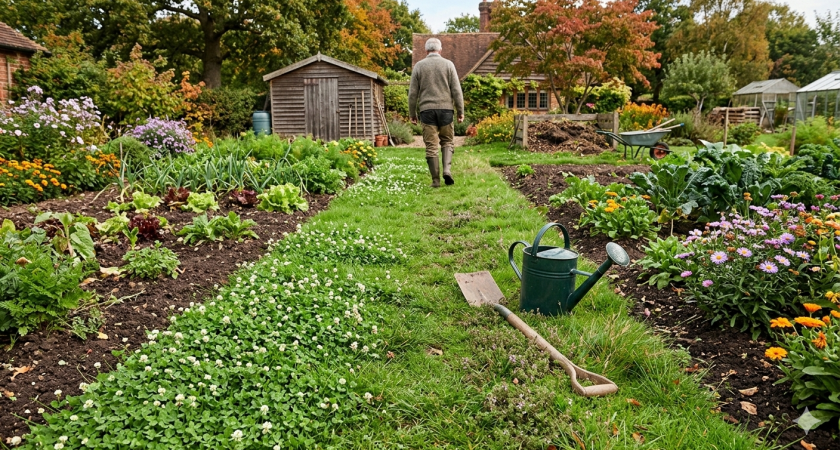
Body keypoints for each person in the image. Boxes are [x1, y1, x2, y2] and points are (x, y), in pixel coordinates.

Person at [408, 37, 464, 188]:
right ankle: (447, 170)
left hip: (427, 111)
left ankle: (435, 181)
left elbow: (413, 93)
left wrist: (412, 113)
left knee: (431, 146)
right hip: (446, 110)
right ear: (440, 50)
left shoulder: (419, 66)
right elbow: (456, 90)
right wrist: (460, 111)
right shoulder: (448, 65)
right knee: (447, 141)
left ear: (426, 51)